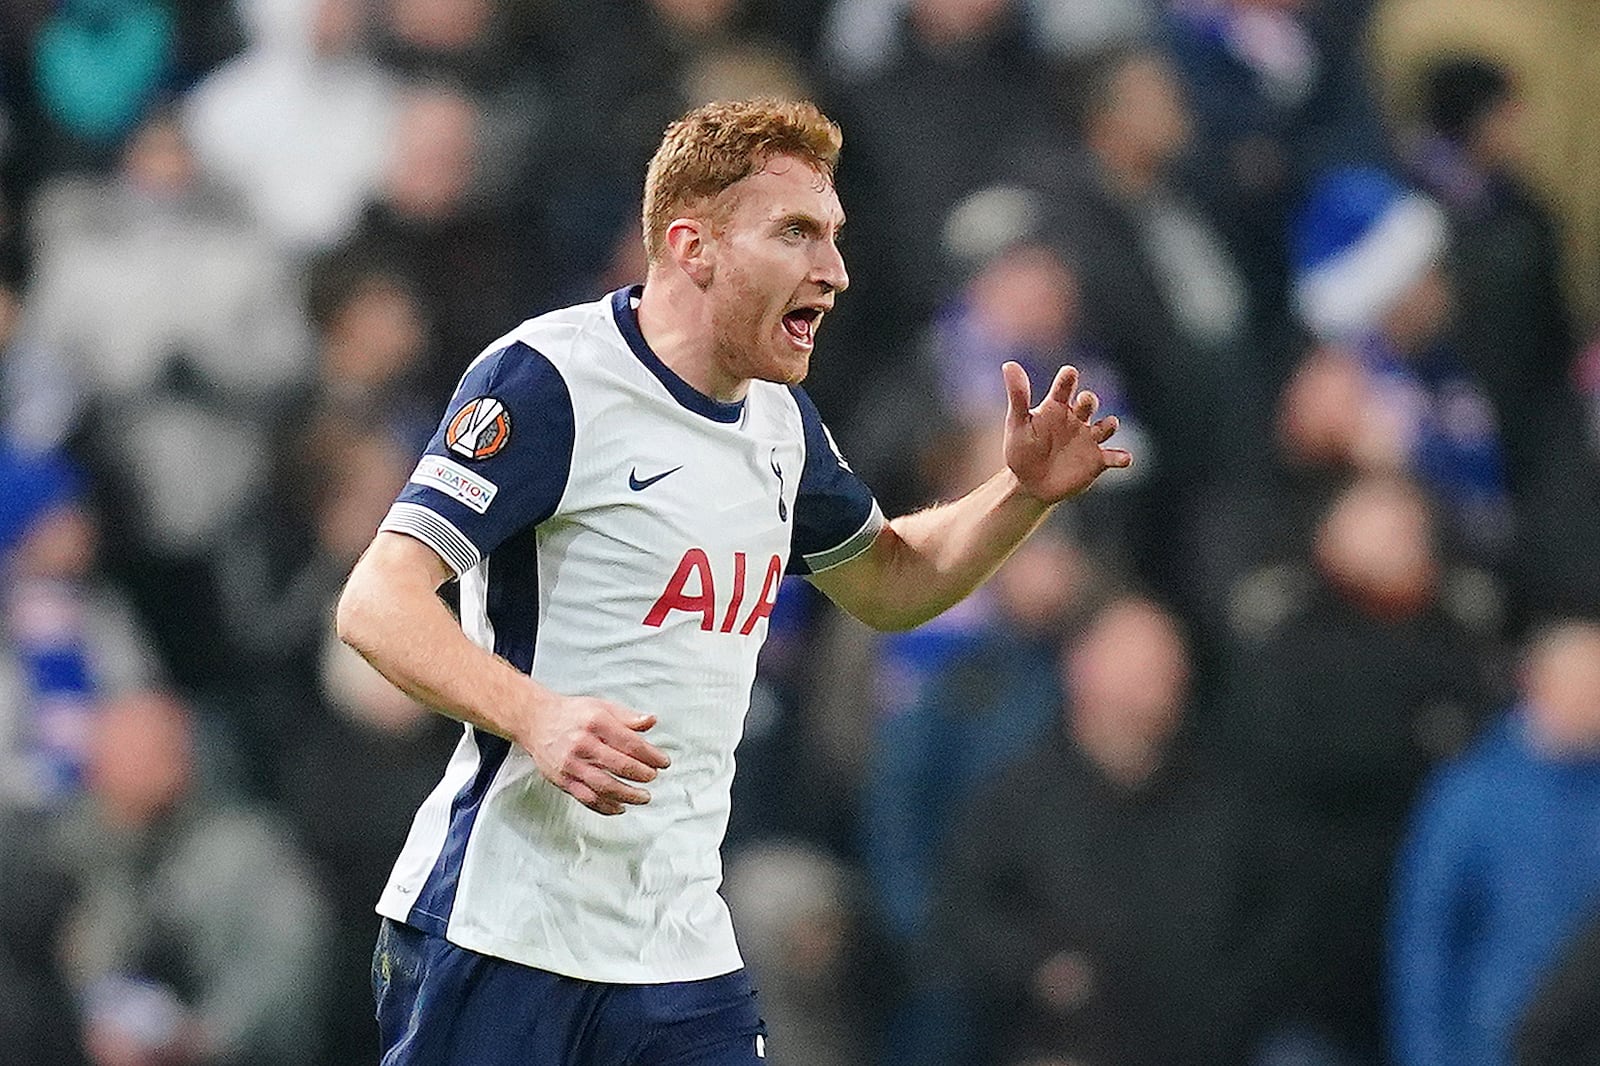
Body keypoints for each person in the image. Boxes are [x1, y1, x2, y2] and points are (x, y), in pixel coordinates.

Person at [335, 97, 1131, 1066]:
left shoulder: (780, 426)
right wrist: (535, 715)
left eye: (833, 237)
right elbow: (376, 600)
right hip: (504, 926)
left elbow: (888, 583)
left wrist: (1019, 492)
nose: (833, 272)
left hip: (677, 944)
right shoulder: (551, 379)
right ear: (693, 246)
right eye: (796, 232)